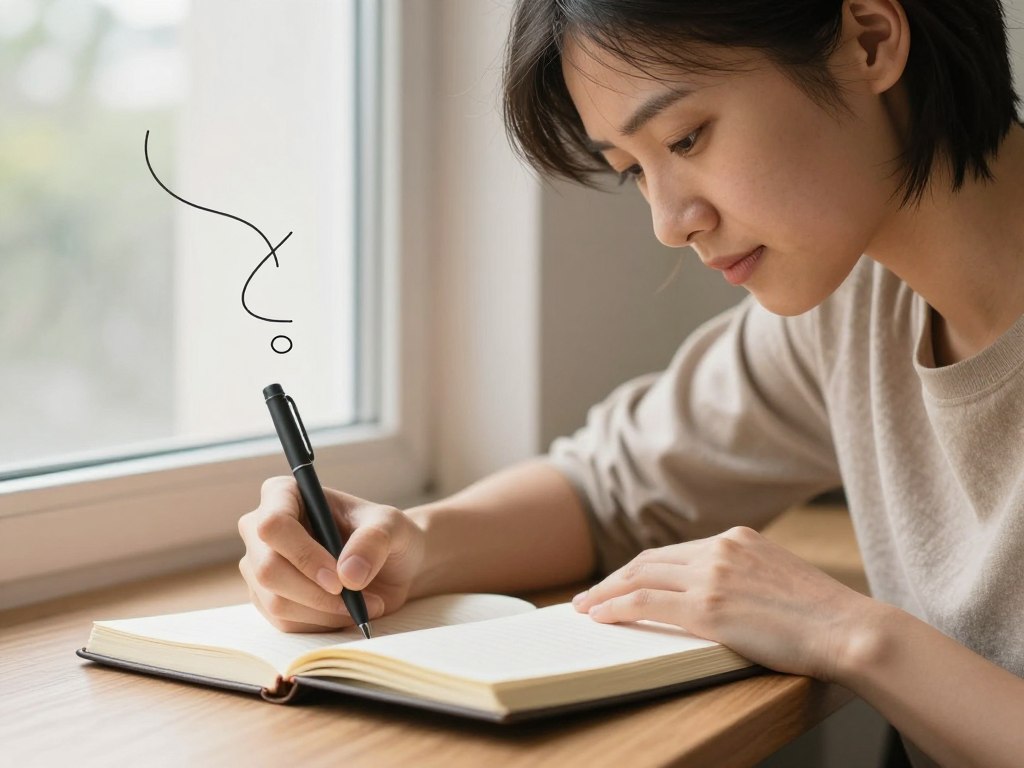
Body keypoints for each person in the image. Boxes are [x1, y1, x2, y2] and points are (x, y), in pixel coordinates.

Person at [237, 1, 1024, 765]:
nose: (670, 221)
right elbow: (610, 488)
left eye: (686, 137)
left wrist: (852, 636)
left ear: (870, 39)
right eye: (633, 171)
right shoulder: (854, 304)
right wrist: (402, 547)